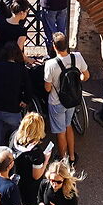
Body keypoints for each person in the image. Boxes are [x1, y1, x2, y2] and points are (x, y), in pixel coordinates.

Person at [42, 33, 88, 166]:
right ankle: (72, 156)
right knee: (68, 125)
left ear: (54, 47)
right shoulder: (77, 57)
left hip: (57, 101)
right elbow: (86, 76)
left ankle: (64, 159)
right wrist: (76, 82)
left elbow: (47, 88)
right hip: (72, 99)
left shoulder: (50, 64)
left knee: (60, 131)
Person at [0, 40, 33, 147]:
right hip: (13, 108)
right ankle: (12, 149)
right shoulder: (21, 70)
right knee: (15, 130)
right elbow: (28, 89)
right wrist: (25, 101)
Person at [8, 112, 51, 189]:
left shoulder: (14, 135)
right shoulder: (36, 152)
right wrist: (46, 159)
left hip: (14, 176)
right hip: (28, 186)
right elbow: (36, 176)